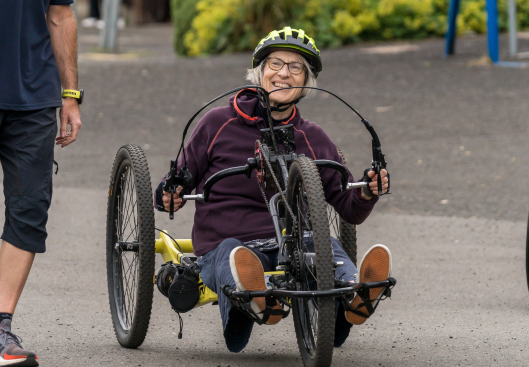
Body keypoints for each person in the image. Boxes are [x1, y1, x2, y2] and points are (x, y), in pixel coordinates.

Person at [154, 27, 390, 352]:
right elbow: (177, 180)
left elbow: (348, 207)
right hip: (227, 242)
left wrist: (367, 191)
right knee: (234, 255)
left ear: (306, 80)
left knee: (327, 247)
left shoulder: (313, 137)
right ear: (259, 71)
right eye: (276, 63)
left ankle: (356, 293)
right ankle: (254, 298)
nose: (284, 73)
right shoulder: (217, 123)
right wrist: (171, 192)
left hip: (295, 244)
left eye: (296, 68)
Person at [0, 1, 82, 366]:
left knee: (29, 208)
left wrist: (70, 94)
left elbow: (60, 14)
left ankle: (0, 327)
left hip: (33, 99)